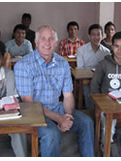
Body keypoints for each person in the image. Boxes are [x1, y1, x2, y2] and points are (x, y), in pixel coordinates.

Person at [14, 25, 94, 157]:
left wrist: (66, 117)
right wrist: (58, 119)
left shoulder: (62, 63)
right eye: (43, 39)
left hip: (57, 108)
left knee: (87, 122)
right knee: (52, 133)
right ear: (36, 42)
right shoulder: (23, 65)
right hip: (33, 112)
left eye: (51, 39)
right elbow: (29, 103)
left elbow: (68, 96)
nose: (47, 43)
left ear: (56, 43)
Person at [90, 32, 121, 157]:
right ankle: (105, 150)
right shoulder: (103, 64)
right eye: (116, 46)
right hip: (107, 106)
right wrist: (99, 106)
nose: (119, 50)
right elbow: (94, 86)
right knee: (108, 130)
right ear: (112, 47)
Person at [77, 24, 111, 109]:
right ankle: (92, 114)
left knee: (107, 93)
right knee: (89, 93)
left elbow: (108, 69)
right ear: (89, 36)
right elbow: (80, 70)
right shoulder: (81, 50)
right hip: (86, 80)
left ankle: (103, 114)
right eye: (93, 35)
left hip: (102, 81)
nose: (96, 37)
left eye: (98, 34)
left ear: (102, 36)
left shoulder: (106, 52)